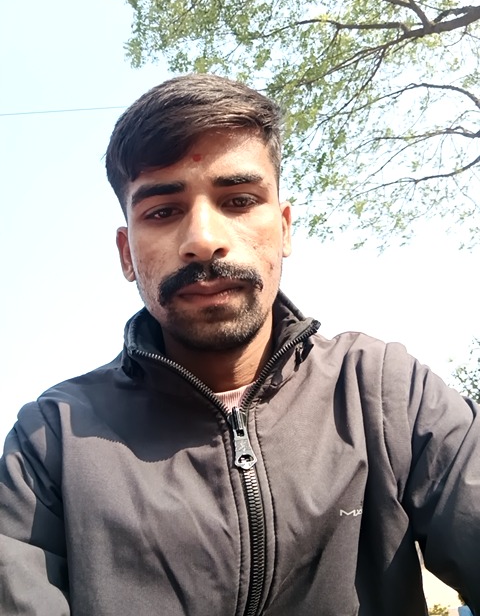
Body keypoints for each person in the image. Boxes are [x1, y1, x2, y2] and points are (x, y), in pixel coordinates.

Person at [0, 74, 479, 616]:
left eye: (239, 200)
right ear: (126, 253)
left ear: (284, 228)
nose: (204, 240)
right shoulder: (51, 441)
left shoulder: (387, 392)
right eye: (163, 211)